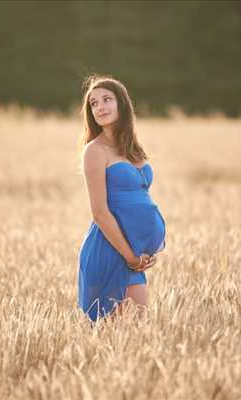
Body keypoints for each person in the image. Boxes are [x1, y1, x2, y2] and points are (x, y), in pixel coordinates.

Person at [77, 74, 166, 323]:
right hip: (109, 250)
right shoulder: (94, 151)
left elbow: (140, 200)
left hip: (134, 253)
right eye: (93, 104)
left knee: (135, 336)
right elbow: (99, 212)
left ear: (122, 104)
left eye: (107, 99)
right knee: (114, 338)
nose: (100, 107)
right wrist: (129, 256)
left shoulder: (133, 149)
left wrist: (145, 246)